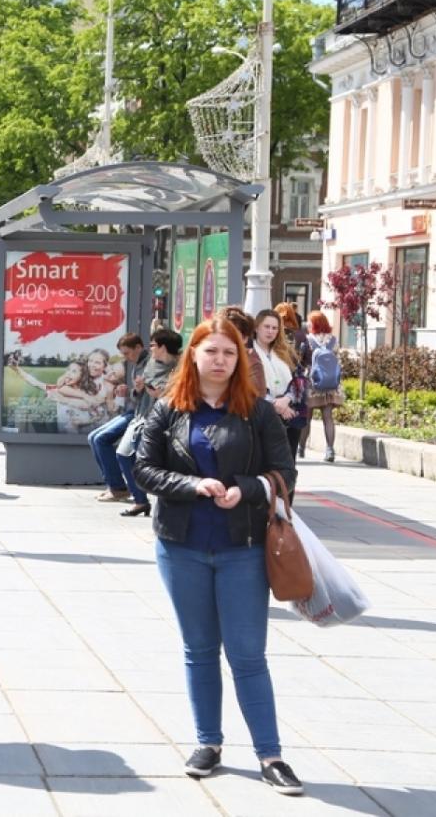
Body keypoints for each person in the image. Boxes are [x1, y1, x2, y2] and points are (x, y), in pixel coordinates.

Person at [134, 313, 303, 796]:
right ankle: (208, 743)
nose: (220, 360)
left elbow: (285, 473)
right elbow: (144, 468)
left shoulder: (258, 412)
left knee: (248, 655)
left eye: (229, 352)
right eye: (211, 351)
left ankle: (271, 755)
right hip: (181, 546)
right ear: (194, 354)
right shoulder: (169, 409)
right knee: (199, 650)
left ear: (239, 359)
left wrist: (244, 490)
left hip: (242, 549)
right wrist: (191, 484)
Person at [116, 329, 182, 517]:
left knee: (159, 462)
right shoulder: (150, 364)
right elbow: (140, 394)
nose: (150, 348)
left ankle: (160, 503)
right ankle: (140, 500)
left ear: (162, 347)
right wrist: (138, 389)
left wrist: (164, 394)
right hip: (144, 417)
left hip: (169, 419)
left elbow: (181, 392)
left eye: (153, 345)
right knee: (123, 453)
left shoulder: (181, 366)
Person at [88, 334, 149, 503]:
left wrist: (134, 391)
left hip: (142, 414)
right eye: (123, 354)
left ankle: (118, 488)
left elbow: (151, 395)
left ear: (138, 347)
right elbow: (139, 395)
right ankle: (114, 486)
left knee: (101, 439)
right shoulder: (138, 365)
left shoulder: (149, 365)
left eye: (127, 353)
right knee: (93, 437)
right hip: (135, 411)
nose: (126, 357)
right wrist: (130, 391)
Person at [254, 309, 301, 458]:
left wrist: (287, 399)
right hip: (262, 414)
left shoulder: (285, 351)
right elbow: (250, 383)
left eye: (274, 328)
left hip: (290, 413)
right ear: (257, 327)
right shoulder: (249, 352)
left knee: (288, 461)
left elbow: (300, 379)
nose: (270, 331)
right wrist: (274, 404)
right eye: (266, 327)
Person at [303, 310, 345, 463]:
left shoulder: (308, 340)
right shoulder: (333, 340)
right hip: (330, 385)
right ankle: (329, 449)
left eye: (310, 322)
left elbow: (302, 360)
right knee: (328, 417)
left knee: (307, 418)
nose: (308, 324)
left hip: (313, 383)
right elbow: (338, 361)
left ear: (314, 324)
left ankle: (300, 448)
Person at [276, 303, 312, 459]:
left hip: (277, 393)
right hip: (296, 390)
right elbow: (308, 361)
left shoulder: (275, 336)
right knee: (292, 442)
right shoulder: (301, 335)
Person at [221, 305, 267, 399]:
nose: (226, 339)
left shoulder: (252, 363)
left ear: (245, 338)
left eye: (233, 335)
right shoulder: (209, 356)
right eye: (223, 333)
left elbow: (256, 399)